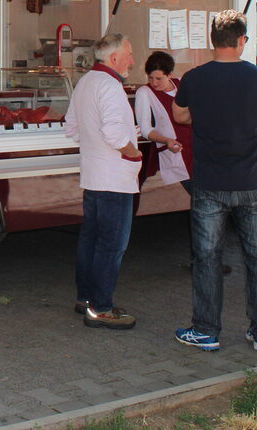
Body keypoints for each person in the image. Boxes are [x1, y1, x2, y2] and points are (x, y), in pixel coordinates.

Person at [172, 9, 257, 352]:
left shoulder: (194, 77)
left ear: (212, 41)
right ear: (242, 40)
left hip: (209, 182)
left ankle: (205, 330)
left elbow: (180, 114)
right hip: (251, 181)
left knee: (207, 258)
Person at [66, 33, 142, 330]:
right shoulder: (110, 86)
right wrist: (133, 153)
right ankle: (101, 307)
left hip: (94, 174)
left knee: (91, 240)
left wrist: (93, 146)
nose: (132, 61)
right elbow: (113, 133)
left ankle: (86, 298)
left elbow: (72, 126)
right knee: (111, 245)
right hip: (114, 178)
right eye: (130, 54)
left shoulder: (86, 82)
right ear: (114, 59)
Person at [134, 51, 192, 188]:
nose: (154, 83)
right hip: (175, 151)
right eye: (150, 78)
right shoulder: (144, 93)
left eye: (159, 78)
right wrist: (166, 140)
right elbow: (145, 129)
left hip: (196, 150)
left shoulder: (182, 84)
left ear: (170, 74)